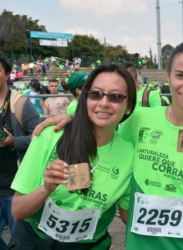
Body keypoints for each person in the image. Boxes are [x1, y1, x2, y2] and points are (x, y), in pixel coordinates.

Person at [33, 41, 183, 250]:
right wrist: (73, 119)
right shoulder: (138, 118)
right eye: (180, 75)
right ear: (168, 75)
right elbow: (104, 129)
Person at [8, 63, 136, 250]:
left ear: (128, 106)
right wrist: (46, 188)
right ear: (84, 98)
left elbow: (128, 217)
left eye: (116, 97)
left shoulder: (130, 153)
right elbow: (17, 212)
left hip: (89, 245)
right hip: (35, 241)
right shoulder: (50, 135)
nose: (104, 103)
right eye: (95, 94)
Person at [0, 55, 41, 250]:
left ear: (8, 74)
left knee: (20, 242)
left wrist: (13, 141)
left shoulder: (22, 104)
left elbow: (39, 138)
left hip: (15, 188)